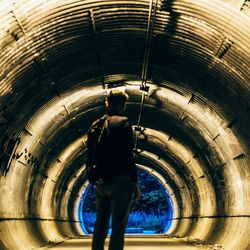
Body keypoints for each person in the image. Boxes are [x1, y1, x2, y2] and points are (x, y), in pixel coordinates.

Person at [86, 89, 141, 250]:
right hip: (119, 180)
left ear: (107, 103)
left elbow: (89, 154)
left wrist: (92, 178)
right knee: (118, 225)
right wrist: (134, 182)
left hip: (100, 182)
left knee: (100, 223)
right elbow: (127, 155)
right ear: (123, 105)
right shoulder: (123, 123)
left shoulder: (95, 125)